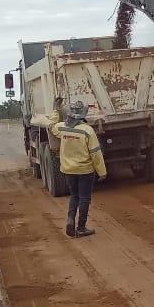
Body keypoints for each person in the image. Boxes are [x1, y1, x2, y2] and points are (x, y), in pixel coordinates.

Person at [48, 99, 106, 238]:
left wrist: (56, 110)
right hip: (85, 171)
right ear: (83, 114)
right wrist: (102, 172)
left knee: (74, 196)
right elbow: (95, 153)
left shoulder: (62, 128)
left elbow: (51, 125)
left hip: (68, 170)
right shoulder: (87, 131)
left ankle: (70, 219)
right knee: (84, 198)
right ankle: (81, 228)